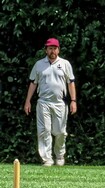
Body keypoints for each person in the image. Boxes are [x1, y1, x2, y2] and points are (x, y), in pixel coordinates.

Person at [24, 38, 77, 166]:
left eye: (54, 48)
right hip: (43, 102)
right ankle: (47, 159)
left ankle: (59, 156)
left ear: (58, 50)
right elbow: (33, 83)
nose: (52, 51)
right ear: (46, 50)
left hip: (60, 103)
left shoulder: (65, 64)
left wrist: (73, 101)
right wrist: (28, 101)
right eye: (50, 48)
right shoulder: (39, 64)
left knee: (60, 132)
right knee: (44, 130)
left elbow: (71, 83)